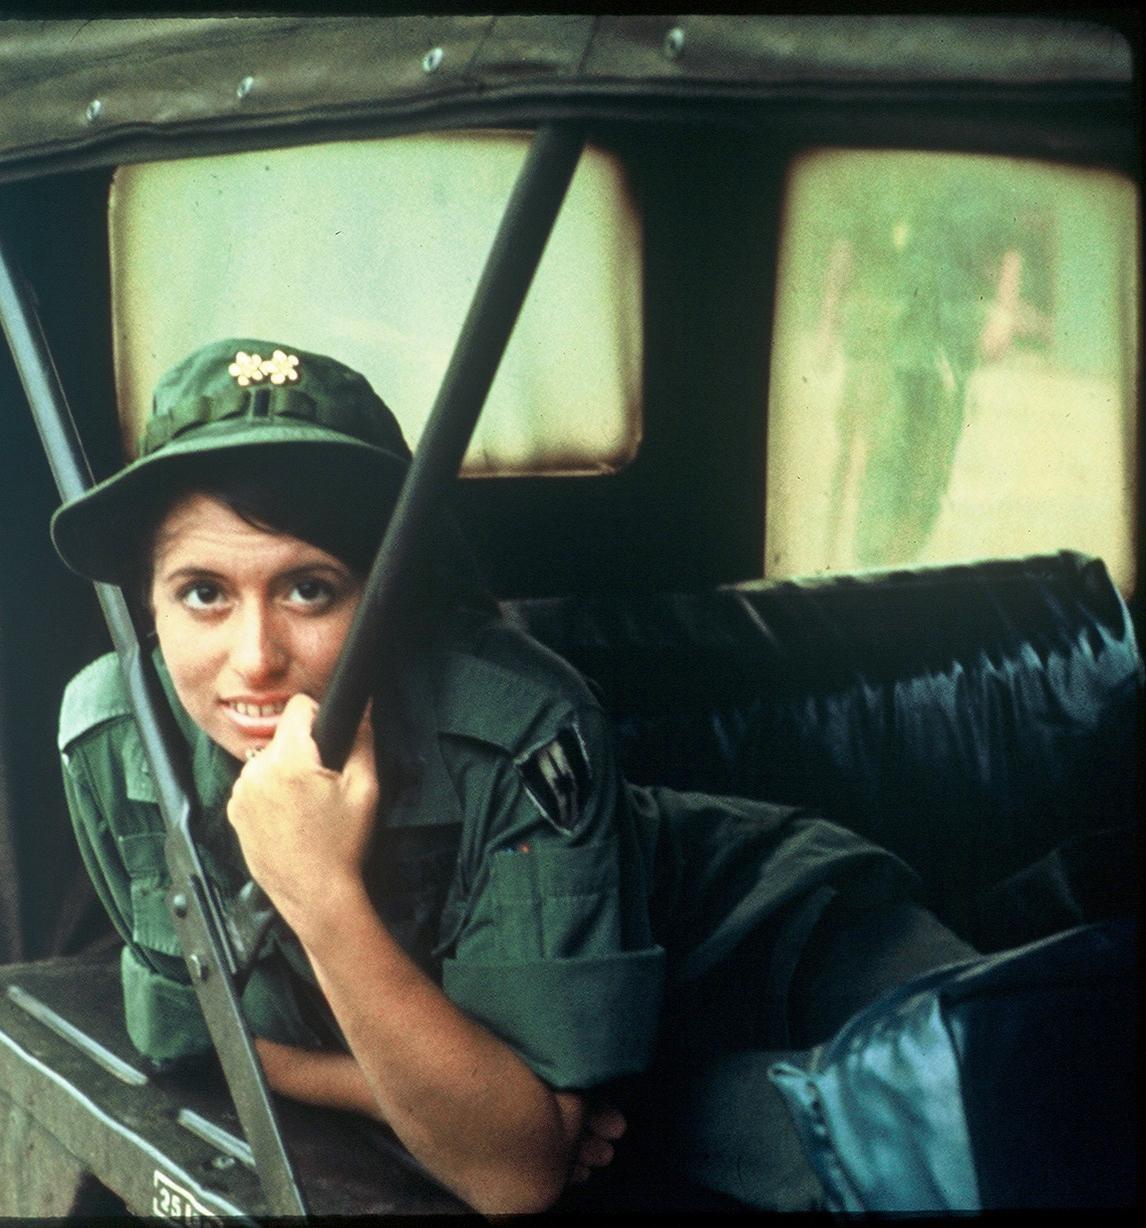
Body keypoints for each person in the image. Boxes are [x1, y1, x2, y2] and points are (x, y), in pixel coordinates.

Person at [49, 338, 976, 1214]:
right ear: (149, 601)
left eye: (310, 589)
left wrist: (320, 893)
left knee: (951, 1135)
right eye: (203, 593)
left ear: (388, 594)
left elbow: (511, 1175)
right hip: (593, 1060)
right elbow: (187, 1034)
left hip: (767, 954)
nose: (253, 659)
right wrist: (435, 1100)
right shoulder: (115, 738)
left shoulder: (521, 723)